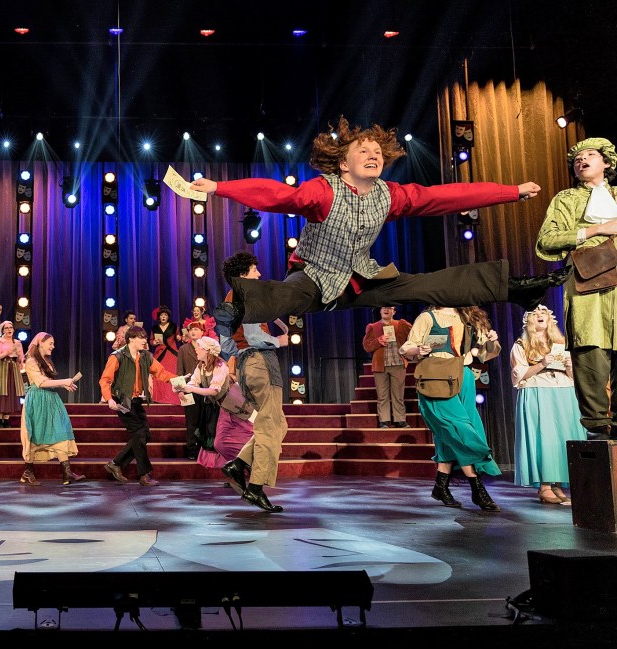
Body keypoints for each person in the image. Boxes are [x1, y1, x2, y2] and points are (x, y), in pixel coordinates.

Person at [190, 117, 571, 340]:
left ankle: (514, 288)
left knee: (425, 285)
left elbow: (446, 196)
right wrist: (219, 188)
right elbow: (276, 195)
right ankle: (233, 310)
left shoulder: (392, 195)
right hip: (313, 274)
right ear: (343, 164)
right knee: (289, 297)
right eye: (363, 151)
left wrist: (508, 192)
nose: (372, 155)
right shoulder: (323, 191)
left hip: (360, 278)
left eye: (377, 153)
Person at [535, 137, 617, 440]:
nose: (582, 160)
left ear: (606, 162)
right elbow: (546, 241)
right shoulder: (566, 199)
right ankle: (598, 435)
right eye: (577, 158)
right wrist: (595, 229)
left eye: (591, 155)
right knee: (591, 361)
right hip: (587, 292)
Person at [400, 305, 503, 511]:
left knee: (450, 433)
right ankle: (477, 487)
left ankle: (441, 485)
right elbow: (406, 348)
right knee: (458, 429)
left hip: (464, 376)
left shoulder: (469, 317)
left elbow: (486, 353)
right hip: (437, 377)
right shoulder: (428, 317)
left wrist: (492, 341)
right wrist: (418, 350)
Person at [215, 253, 289, 512]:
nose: (259, 274)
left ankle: (239, 464)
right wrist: (278, 341)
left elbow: (225, 345)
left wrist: (242, 354)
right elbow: (253, 334)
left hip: (247, 364)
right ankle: (256, 487)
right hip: (261, 361)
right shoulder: (248, 295)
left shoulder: (228, 300)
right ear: (244, 275)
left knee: (277, 424)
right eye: (255, 270)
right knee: (270, 426)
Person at [511, 305, 583, 504]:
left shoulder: (560, 343)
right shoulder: (521, 344)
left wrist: (570, 368)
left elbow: (573, 376)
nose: (540, 316)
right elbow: (519, 375)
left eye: (544, 314)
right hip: (538, 390)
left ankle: (558, 484)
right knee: (544, 436)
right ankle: (544, 486)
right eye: (535, 314)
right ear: (529, 321)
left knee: (563, 436)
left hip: (563, 390)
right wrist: (542, 363)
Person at [99, 326, 177, 486]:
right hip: (122, 400)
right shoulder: (117, 356)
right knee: (140, 434)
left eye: (144, 337)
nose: (144, 340)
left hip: (135, 400)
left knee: (145, 435)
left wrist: (179, 379)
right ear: (131, 339)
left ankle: (116, 463)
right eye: (141, 337)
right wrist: (109, 399)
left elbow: (161, 373)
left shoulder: (145, 356)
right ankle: (144, 474)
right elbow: (105, 380)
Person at [19, 332, 85, 486]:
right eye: (50, 343)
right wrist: (64, 381)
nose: (53, 346)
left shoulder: (46, 362)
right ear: (41, 343)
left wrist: (63, 384)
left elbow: (48, 381)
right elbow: (40, 382)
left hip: (50, 399)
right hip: (37, 401)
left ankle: (67, 473)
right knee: (36, 434)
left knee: (59, 431)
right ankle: (28, 472)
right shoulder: (30, 361)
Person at [175, 336, 229, 461]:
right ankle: (211, 461)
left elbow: (213, 391)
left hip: (224, 407)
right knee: (207, 431)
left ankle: (223, 461)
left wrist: (192, 389)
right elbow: (193, 382)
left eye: (199, 348)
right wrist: (181, 387)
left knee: (218, 433)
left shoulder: (220, 366)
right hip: (210, 405)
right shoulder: (201, 366)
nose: (196, 350)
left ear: (207, 350)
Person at [362, 306, 412, 427]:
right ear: (380, 311)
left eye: (390, 308)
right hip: (380, 366)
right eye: (384, 308)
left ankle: (400, 420)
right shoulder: (373, 327)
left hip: (398, 363)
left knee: (398, 395)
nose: (386, 310)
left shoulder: (400, 324)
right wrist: (378, 341)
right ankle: (384, 420)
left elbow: (413, 335)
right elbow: (367, 347)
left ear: (394, 312)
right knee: (382, 395)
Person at [176, 321, 207, 458]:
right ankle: (191, 450)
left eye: (196, 329)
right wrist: (179, 390)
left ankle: (204, 449)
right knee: (191, 421)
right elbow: (179, 371)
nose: (193, 332)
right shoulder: (183, 349)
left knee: (204, 420)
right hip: (189, 388)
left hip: (205, 389)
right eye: (191, 329)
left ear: (202, 332)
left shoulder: (207, 348)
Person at [0, 321, 26, 427]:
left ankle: (6, 419)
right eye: (6, 328)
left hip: (13, 368)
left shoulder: (17, 342)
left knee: (11, 392)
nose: (9, 329)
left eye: (11, 327)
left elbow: (20, 359)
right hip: (1, 367)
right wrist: (7, 352)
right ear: (2, 330)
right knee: (1, 391)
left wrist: (19, 357)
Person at [149, 305, 182, 405]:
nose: (163, 317)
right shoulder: (154, 328)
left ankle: (174, 398)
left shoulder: (174, 326)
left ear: (168, 317)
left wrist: (179, 337)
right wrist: (154, 342)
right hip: (159, 353)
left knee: (172, 373)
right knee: (157, 374)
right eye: (162, 315)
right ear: (159, 317)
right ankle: (159, 398)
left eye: (165, 315)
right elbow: (151, 340)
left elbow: (177, 337)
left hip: (171, 353)